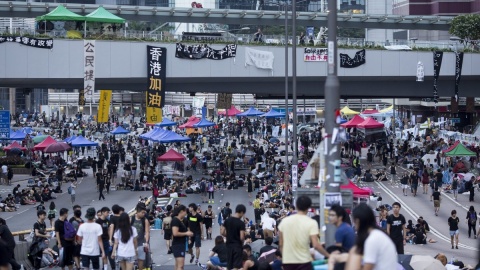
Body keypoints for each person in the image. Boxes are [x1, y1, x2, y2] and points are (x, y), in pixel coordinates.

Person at [329, 203, 397, 270]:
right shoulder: (378, 235)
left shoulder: (373, 239)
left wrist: (332, 264)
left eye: (354, 222)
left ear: (358, 221)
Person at [278, 196, 329, 270]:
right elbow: (315, 245)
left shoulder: (284, 221)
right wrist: (328, 255)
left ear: (296, 206)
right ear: (308, 208)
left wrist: (285, 258)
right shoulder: (311, 222)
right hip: (304, 261)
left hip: (288, 262)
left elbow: (281, 244)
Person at [221, 204, 247, 270]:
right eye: (243, 214)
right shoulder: (241, 223)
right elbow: (241, 237)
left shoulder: (227, 220)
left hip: (228, 245)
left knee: (229, 265)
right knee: (236, 266)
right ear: (241, 212)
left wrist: (229, 235)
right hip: (237, 246)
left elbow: (222, 232)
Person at [171, 205, 194, 270]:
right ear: (181, 211)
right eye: (185, 212)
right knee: (180, 266)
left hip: (181, 244)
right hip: (178, 244)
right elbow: (175, 233)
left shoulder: (180, 221)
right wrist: (186, 233)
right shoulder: (175, 220)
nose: (186, 214)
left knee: (178, 265)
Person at [131, 204, 150, 270]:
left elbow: (147, 232)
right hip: (131, 245)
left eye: (144, 212)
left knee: (141, 263)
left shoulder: (145, 220)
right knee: (131, 263)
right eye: (142, 212)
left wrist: (146, 242)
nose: (143, 214)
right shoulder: (131, 219)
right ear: (137, 212)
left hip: (141, 244)